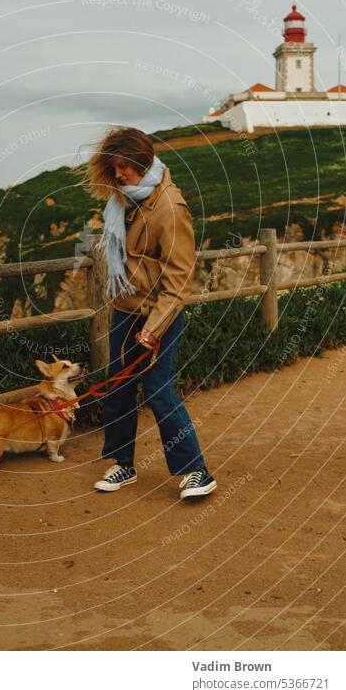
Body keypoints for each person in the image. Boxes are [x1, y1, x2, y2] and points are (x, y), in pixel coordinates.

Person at [79, 126, 217, 499]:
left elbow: (180, 277)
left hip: (161, 314)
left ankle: (196, 471)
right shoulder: (124, 199)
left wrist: (152, 328)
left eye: (124, 166)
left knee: (158, 389)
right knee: (119, 387)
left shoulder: (170, 207)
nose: (118, 173)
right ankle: (122, 464)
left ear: (141, 161)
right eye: (114, 166)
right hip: (126, 310)